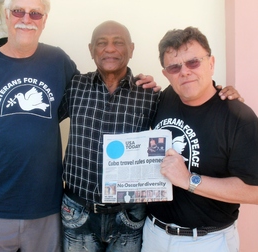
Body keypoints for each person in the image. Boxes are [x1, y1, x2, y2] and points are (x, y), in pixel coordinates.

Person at [0, 1, 158, 251]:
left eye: (35, 13)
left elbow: (102, 89)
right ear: (6, 15)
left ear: (44, 20)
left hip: (56, 210)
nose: (26, 19)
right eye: (18, 11)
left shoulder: (58, 62)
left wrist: (216, 91)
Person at [58, 21, 242, 252]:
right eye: (101, 43)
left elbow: (194, 94)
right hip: (78, 211)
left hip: (129, 216)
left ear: (132, 49)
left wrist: (221, 92)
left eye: (119, 42)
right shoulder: (74, 86)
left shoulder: (150, 95)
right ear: (91, 49)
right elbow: (42, 119)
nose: (110, 49)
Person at [142, 27, 258, 252]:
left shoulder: (239, 117)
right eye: (174, 67)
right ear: (166, 74)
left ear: (211, 63)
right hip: (154, 233)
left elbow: (255, 191)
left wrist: (189, 180)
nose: (184, 72)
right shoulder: (163, 98)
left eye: (193, 62)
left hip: (207, 242)